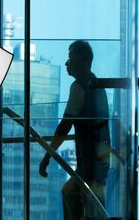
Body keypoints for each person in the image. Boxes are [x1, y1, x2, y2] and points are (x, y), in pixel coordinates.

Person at [39, 40, 110, 220]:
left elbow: (65, 125)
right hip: (102, 157)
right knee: (93, 203)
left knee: (71, 193)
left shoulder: (79, 86)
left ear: (83, 60)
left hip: (89, 159)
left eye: (70, 57)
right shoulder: (97, 84)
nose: (67, 62)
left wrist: (48, 156)